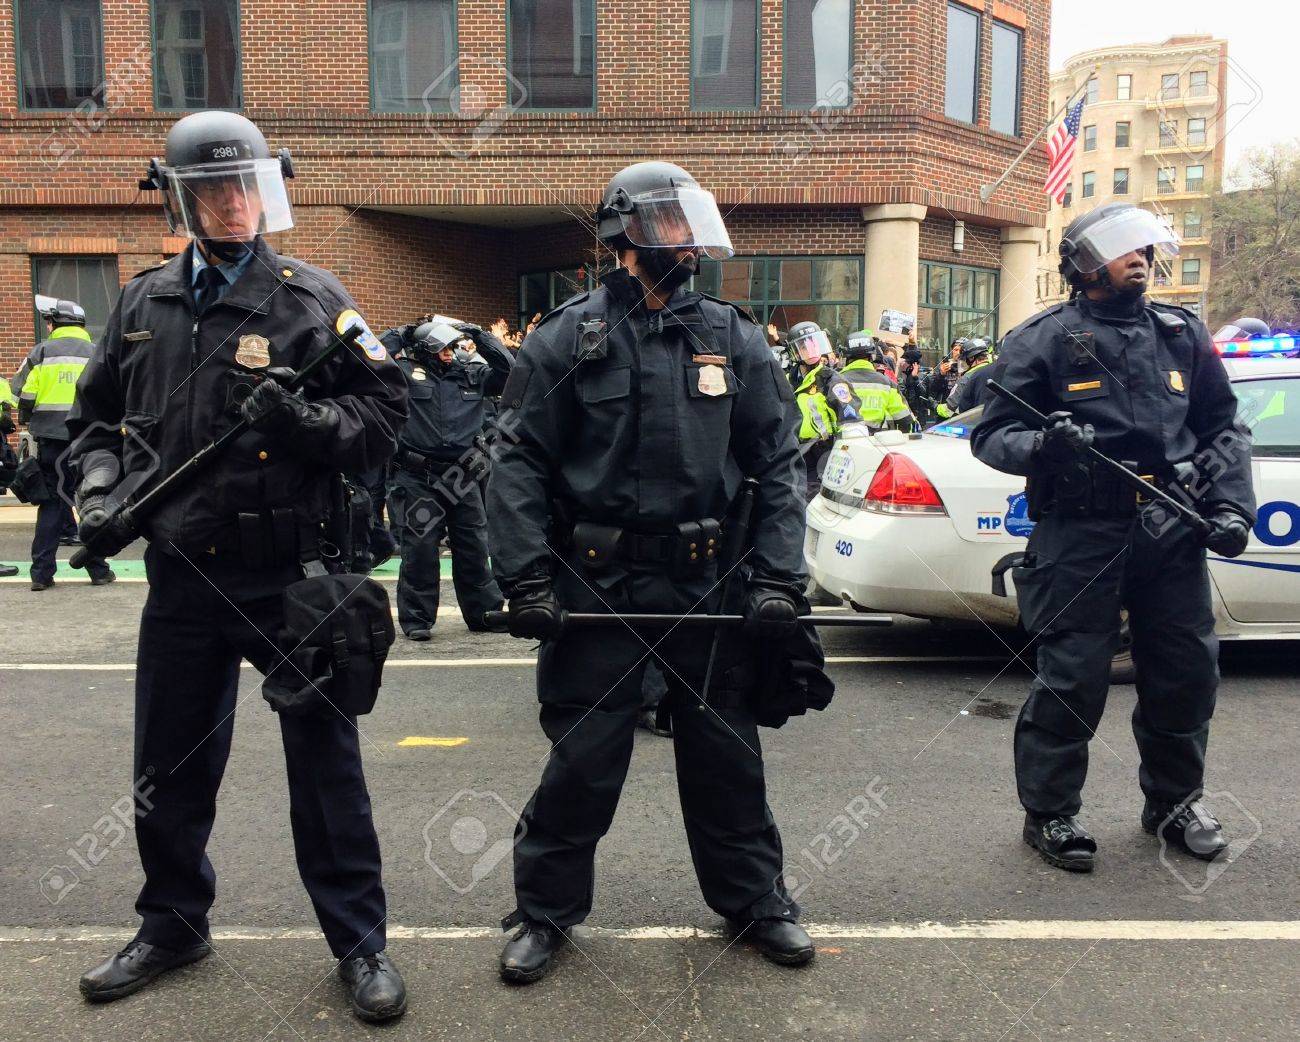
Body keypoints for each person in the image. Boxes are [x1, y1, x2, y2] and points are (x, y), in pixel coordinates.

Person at [67, 110, 409, 1021]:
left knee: (326, 768)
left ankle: (360, 944)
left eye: (250, 186)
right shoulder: (142, 307)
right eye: (217, 189)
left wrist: (307, 423)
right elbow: (95, 424)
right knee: (168, 767)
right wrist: (97, 487)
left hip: (289, 580)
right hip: (182, 575)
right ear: (182, 198)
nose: (237, 204)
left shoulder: (311, 299)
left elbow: (384, 422)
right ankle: (174, 923)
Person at [487, 160, 815, 983]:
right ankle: (544, 914)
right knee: (584, 759)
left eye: (690, 222)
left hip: (709, 583)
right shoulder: (566, 338)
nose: (686, 241)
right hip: (599, 584)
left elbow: (778, 465)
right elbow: (517, 461)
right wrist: (525, 577)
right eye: (667, 224)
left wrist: (777, 579)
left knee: (726, 756)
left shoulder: (734, 338)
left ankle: (756, 901)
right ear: (622, 236)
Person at [971, 202, 1255, 874]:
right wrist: (1045, 445)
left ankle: (1176, 803)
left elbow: (1222, 429)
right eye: (1124, 248)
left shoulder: (1180, 333)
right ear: (1084, 264)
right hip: (1082, 530)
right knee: (1073, 678)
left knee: (1185, 672)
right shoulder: (1043, 338)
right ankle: (1050, 813)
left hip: (1170, 528)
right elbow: (991, 435)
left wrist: (1230, 507)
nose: (1141, 259)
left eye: (1144, 249)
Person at [388, 315, 512, 639]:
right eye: (441, 347)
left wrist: (479, 334)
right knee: (420, 549)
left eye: (451, 346)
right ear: (425, 350)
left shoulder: (472, 374)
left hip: (462, 475)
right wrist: (402, 333)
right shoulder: (403, 375)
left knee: (473, 544)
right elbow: (368, 358)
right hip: (419, 477)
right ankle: (417, 620)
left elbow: (511, 370)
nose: (449, 352)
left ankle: (484, 612)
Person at [13, 298, 115, 590]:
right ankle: (97, 569)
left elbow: (21, 390)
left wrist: (31, 416)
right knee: (89, 502)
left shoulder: (41, 352)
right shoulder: (96, 353)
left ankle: (41, 575)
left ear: (54, 324)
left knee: (52, 504)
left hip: (51, 441)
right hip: (88, 440)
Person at [787, 321, 862, 499]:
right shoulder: (787, 380)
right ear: (795, 352)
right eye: (804, 346)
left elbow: (851, 420)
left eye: (814, 343)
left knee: (812, 500)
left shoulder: (830, 379)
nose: (811, 350)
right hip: (793, 451)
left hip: (821, 451)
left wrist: (847, 454)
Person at [839, 331, 914, 431]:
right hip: (877, 443)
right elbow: (904, 419)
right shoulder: (886, 383)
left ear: (846, 357)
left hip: (844, 444)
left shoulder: (835, 381)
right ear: (872, 356)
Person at [941, 336, 995, 417]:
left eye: (965, 359)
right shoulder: (998, 370)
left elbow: (949, 410)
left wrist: (934, 406)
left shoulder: (967, 378)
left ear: (971, 358)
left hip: (974, 423)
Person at [925, 336, 965, 406]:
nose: (958, 353)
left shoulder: (969, 365)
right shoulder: (944, 366)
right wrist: (941, 374)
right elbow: (933, 390)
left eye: (961, 351)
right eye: (956, 350)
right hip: (946, 404)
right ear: (952, 351)